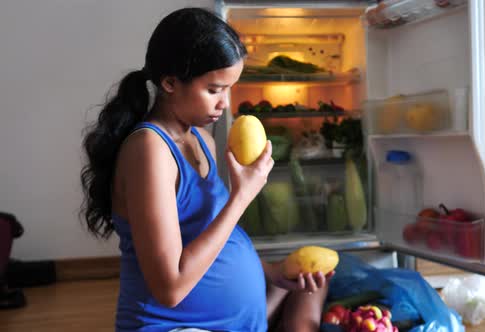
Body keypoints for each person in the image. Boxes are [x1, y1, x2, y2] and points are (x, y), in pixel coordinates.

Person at [80, 7, 334, 332]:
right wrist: (242, 197)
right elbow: (169, 288)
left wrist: (274, 273)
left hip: (235, 320)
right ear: (170, 82)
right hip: (175, 326)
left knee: (314, 290)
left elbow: (215, 235)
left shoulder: (201, 138)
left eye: (229, 88)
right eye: (214, 89)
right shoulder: (150, 150)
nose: (225, 103)